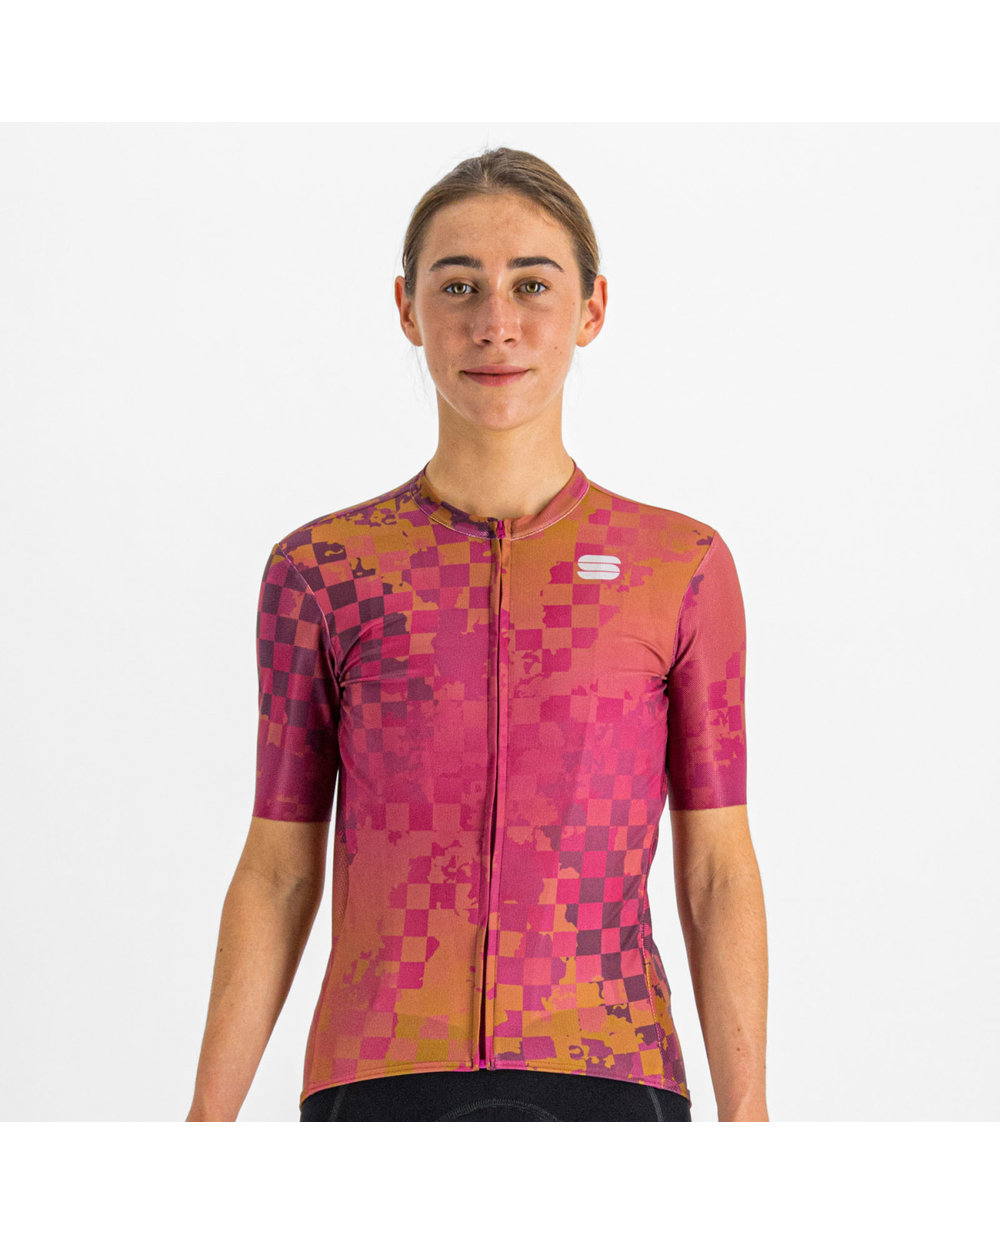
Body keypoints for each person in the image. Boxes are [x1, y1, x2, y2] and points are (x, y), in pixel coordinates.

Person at [186, 146, 769, 1123]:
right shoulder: (324, 569)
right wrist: (205, 1123)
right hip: (377, 1077)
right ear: (408, 308)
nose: (495, 323)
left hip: (609, 1072)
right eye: (458, 285)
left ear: (591, 308)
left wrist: (749, 1121)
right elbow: (279, 866)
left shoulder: (679, 564)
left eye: (531, 284)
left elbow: (715, 867)